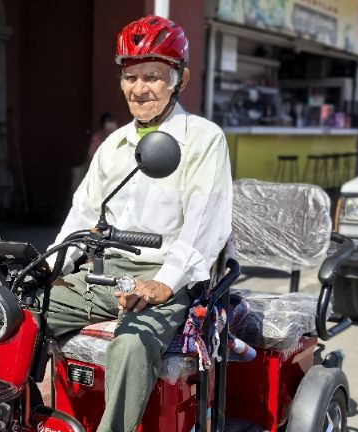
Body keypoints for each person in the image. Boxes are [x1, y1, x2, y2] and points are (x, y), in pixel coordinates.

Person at [44, 15, 233, 431]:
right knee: (17, 310)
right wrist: (48, 268)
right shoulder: (113, 146)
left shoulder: (203, 139)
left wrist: (165, 282)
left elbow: (205, 225)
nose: (139, 88)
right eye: (131, 76)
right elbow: (83, 214)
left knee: (130, 346)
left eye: (153, 76)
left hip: (166, 278)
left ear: (178, 80)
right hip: (105, 275)